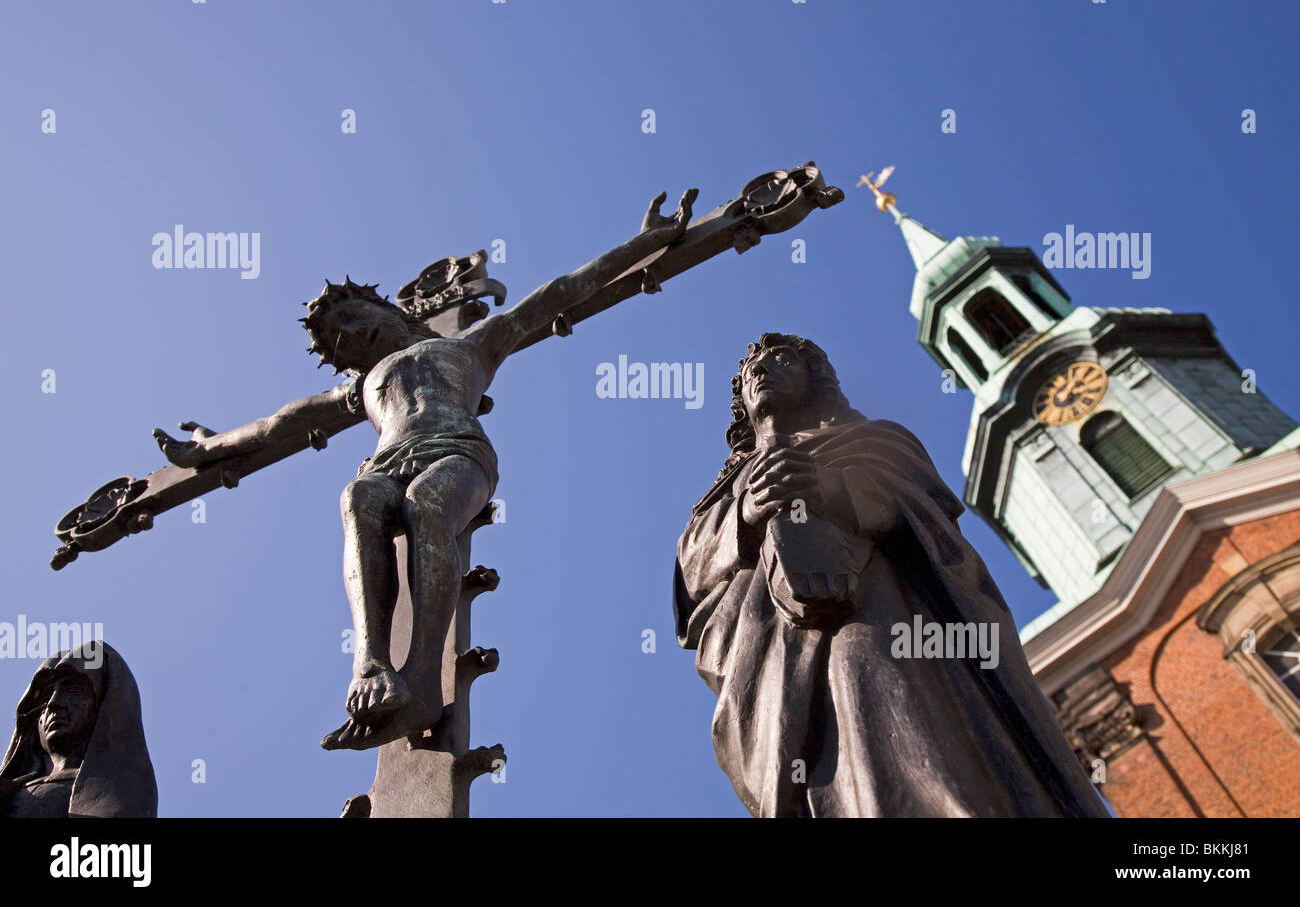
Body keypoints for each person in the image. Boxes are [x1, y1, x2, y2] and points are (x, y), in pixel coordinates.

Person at [154, 189, 697, 751]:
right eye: (335, 336)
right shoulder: (359, 389)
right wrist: (210, 448)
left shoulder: (473, 344)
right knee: (359, 498)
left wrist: (646, 241)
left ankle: (420, 682)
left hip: (457, 451)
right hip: (388, 461)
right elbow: (276, 425)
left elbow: (559, 293)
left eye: (348, 314)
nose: (346, 332)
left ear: (385, 308)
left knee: (427, 506)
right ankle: (369, 662)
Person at [672, 332, 1109, 816]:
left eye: (782, 359)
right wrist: (746, 512)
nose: (762, 370)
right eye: (752, 367)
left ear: (815, 379)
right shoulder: (725, 494)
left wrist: (829, 487)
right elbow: (693, 573)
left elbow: (922, 508)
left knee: (879, 693)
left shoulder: (873, 439)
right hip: (764, 654)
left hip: (878, 609)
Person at [0, 642, 157, 818]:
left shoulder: (123, 791)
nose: (53, 703)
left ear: (105, 707)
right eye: (45, 697)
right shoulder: (10, 794)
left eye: (73, 691)